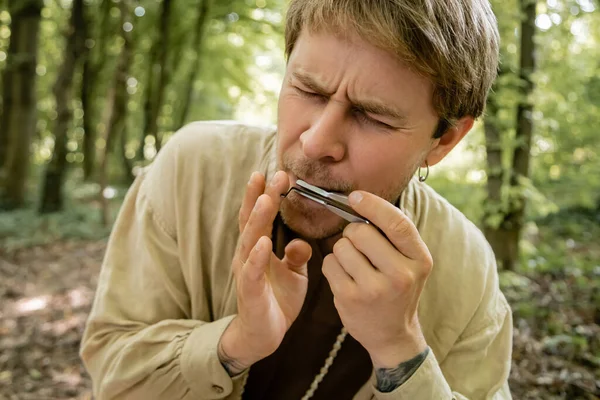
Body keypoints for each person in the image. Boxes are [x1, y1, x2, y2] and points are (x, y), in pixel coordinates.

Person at [80, 0, 513, 398]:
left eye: (373, 116)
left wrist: (400, 351)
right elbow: (115, 378)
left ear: (445, 140)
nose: (316, 142)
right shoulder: (191, 170)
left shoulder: (468, 269)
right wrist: (235, 343)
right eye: (308, 90)